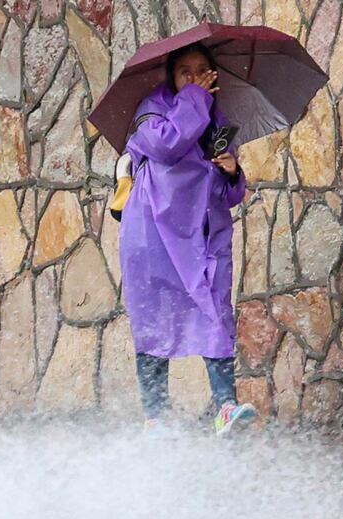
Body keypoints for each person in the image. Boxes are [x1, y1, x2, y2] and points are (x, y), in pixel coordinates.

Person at [120, 42, 256, 436]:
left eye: (202, 70)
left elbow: (226, 195)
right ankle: (156, 417)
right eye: (185, 72)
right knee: (154, 319)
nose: (194, 78)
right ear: (172, 78)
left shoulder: (218, 123)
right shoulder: (150, 112)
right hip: (154, 237)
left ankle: (225, 407)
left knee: (215, 311)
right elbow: (167, 145)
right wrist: (196, 97)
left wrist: (232, 172)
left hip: (202, 237)